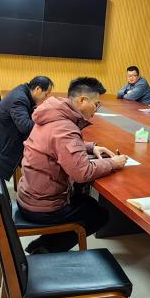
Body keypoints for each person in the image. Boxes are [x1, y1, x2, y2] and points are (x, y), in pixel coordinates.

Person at [17, 77, 127, 253]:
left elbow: (54, 143)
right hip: (43, 206)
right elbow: (82, 173)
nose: (96, 110)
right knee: (99, 215)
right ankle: (45, 249)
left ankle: (42, 245)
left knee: (87, 202)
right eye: (96, 104)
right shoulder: (65, 127)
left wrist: (91, 147)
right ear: (82, 100)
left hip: (29, 195)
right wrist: (112, 163)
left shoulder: (52, 114)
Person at [0, 75, 54, 181]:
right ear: (38, 89)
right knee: (42, 157)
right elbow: (25, 127)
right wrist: (45, 122)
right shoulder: (19, 99)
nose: (47, 97)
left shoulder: (22, 92)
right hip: (0, 149)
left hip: (0, 139)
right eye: (46, 94)